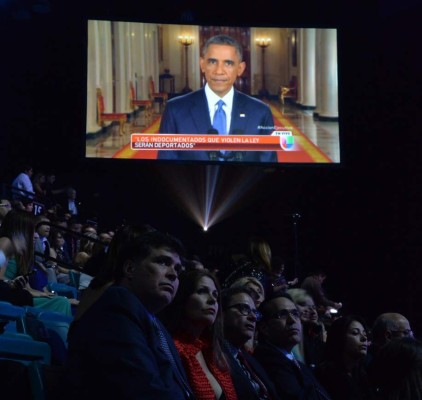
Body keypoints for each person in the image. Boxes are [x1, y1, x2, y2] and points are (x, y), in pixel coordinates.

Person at [65, 230, 195, 400]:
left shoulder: (155, 323)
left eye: (177, 270)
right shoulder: (118, 305)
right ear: (130, 268)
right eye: (163, 262)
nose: (173, 274)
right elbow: (147, 391)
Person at [158, 34, 277, 163]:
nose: (219, 71)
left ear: (240, 68)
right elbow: (167, 164)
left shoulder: (260, 111)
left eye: (228, 63)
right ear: (202, 65)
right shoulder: (175, 110)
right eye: (213, 62)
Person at [159, 269, 238, 400]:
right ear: (182, 297)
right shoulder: (168, 348)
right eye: (202, 291)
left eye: (215, 295)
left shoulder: (214, 352)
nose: (212, 300)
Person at [254, 293, 331, 400]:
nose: (292, 320)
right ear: (264, 328)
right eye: (282, 314)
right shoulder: (268, 361)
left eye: (295, 314)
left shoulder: (296, 362)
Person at [221, 286, 280, 400]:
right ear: (221, 313)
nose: (253, 317)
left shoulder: (250, 360)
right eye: (244, 308)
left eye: (254, 312)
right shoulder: (211, 355)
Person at [314, 315, 374, 400]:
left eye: (365, 334)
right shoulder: (324, 375)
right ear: (339, 337)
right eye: (355, 333)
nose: (364, 338)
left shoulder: (361, 373)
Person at [287, 288, 326, 369]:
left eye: (313, 307)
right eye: (302, 304)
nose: (312, 311)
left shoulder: (312, 339)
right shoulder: (284, 339)